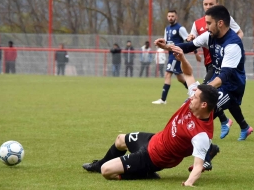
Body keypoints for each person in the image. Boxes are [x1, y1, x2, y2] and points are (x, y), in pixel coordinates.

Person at [83, 46, 219, 187]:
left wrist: (189, 183)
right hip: (154, 139)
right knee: (120, 140)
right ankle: (98, 165)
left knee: (107, 171)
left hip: (154, 158)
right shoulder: (195, 101)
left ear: (203, 105)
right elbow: (189, 74)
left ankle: (144, 173)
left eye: (195, 97)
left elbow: (198, 166)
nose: (191, 97)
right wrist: (182, 58)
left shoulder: (201, 135)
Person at [156, 5, 253, 142]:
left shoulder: (233, 45)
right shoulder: (210, 36)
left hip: (231, 88)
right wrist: (167, 46)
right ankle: (182, 140)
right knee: (188, 105)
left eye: (208, 23)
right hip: (216, 81)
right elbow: (189, 46)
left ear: (220, 23)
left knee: (200, 109)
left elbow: (224, 76)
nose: (206, 27)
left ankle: (200, 149)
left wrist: (203, 90)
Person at [187, 0, 245, 139]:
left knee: (206, 102)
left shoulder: (223, 19)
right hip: (210, 62)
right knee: (216, 99)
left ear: (217, 4)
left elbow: (239, 33)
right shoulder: (198, 23)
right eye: (205, 4)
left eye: (211, 4)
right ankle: (241, 125)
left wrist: (231, 50)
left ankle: (202, 138)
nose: (208, 7)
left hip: (221, 65)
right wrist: (185, 43)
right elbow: (191, 43)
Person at [152, 9, 188, 104]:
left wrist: (196, 53)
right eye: (169, 16)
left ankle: (163, 99)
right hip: (170, 54)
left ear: (176, 17)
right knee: (180, 77)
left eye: (172, 16)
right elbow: (165, 42)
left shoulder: (180, 28)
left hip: (175, 54)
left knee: (167, 74)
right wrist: (160, 43)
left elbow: (188, 40)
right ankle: (195, 91)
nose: (170, 18)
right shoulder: (167, 28)